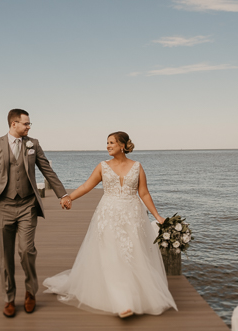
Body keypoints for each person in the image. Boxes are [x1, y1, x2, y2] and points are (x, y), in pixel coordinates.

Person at [43, 131, 177, 318]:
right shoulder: (102, 167)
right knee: (112, 255)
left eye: (111, 142)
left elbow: (144, 193)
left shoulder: (137, 167)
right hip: (108, 215)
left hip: (133, 216)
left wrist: (158, 216)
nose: (107, 146)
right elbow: (86, 186)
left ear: (122, 145)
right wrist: (68, 197)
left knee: (132, 254)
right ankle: (123, 303)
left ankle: (134, 295)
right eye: (107, 143)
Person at [0, 108, 71, 318]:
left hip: (27, 205)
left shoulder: (33, 144)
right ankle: (9, 297)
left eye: (29, 124)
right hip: (3, 206)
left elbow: (47, 170)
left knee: (26, 250)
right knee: (6, 255)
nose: (29, 127)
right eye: (26, 123)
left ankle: (30, 291)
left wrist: (62, 195)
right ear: (14, 124)